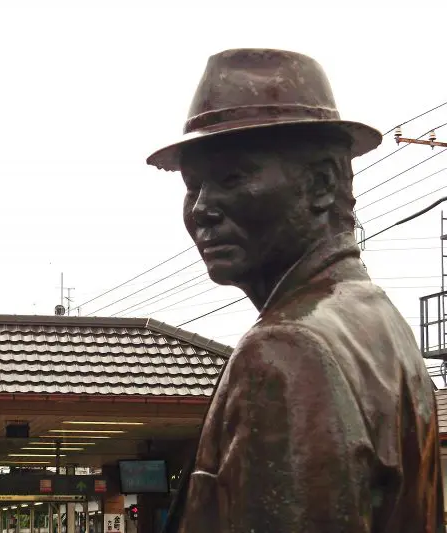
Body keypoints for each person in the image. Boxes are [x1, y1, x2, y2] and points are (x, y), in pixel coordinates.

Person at [147, 48, 444, 532]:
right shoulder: (380, 327)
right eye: (193, 185)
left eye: (232, 177)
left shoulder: (288, 350)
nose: (202, 208)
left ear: (322, 183)